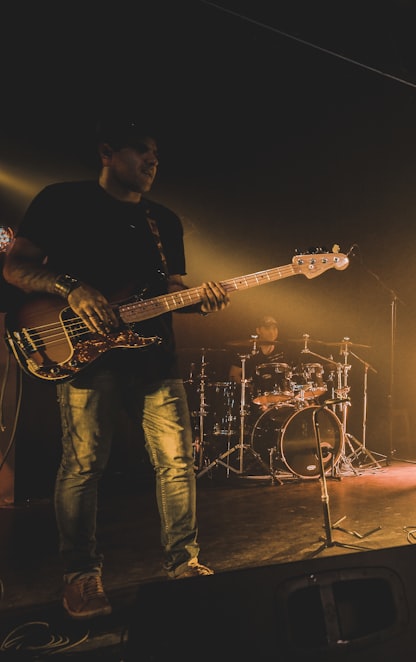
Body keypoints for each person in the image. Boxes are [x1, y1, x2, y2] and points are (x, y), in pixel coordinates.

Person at [2, 117, 231, 620]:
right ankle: (81, 578)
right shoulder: (62, 200)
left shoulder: (163, 220)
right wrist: (71, 287)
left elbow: (165, 291)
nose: (153, 161)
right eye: (142, 151)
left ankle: (185, 566)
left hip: (156, 358)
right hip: (86, 358)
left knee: (177, 465)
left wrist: (200, 299)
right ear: (107, 152)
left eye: (157, 155)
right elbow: (15, 267)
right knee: (84, 467)